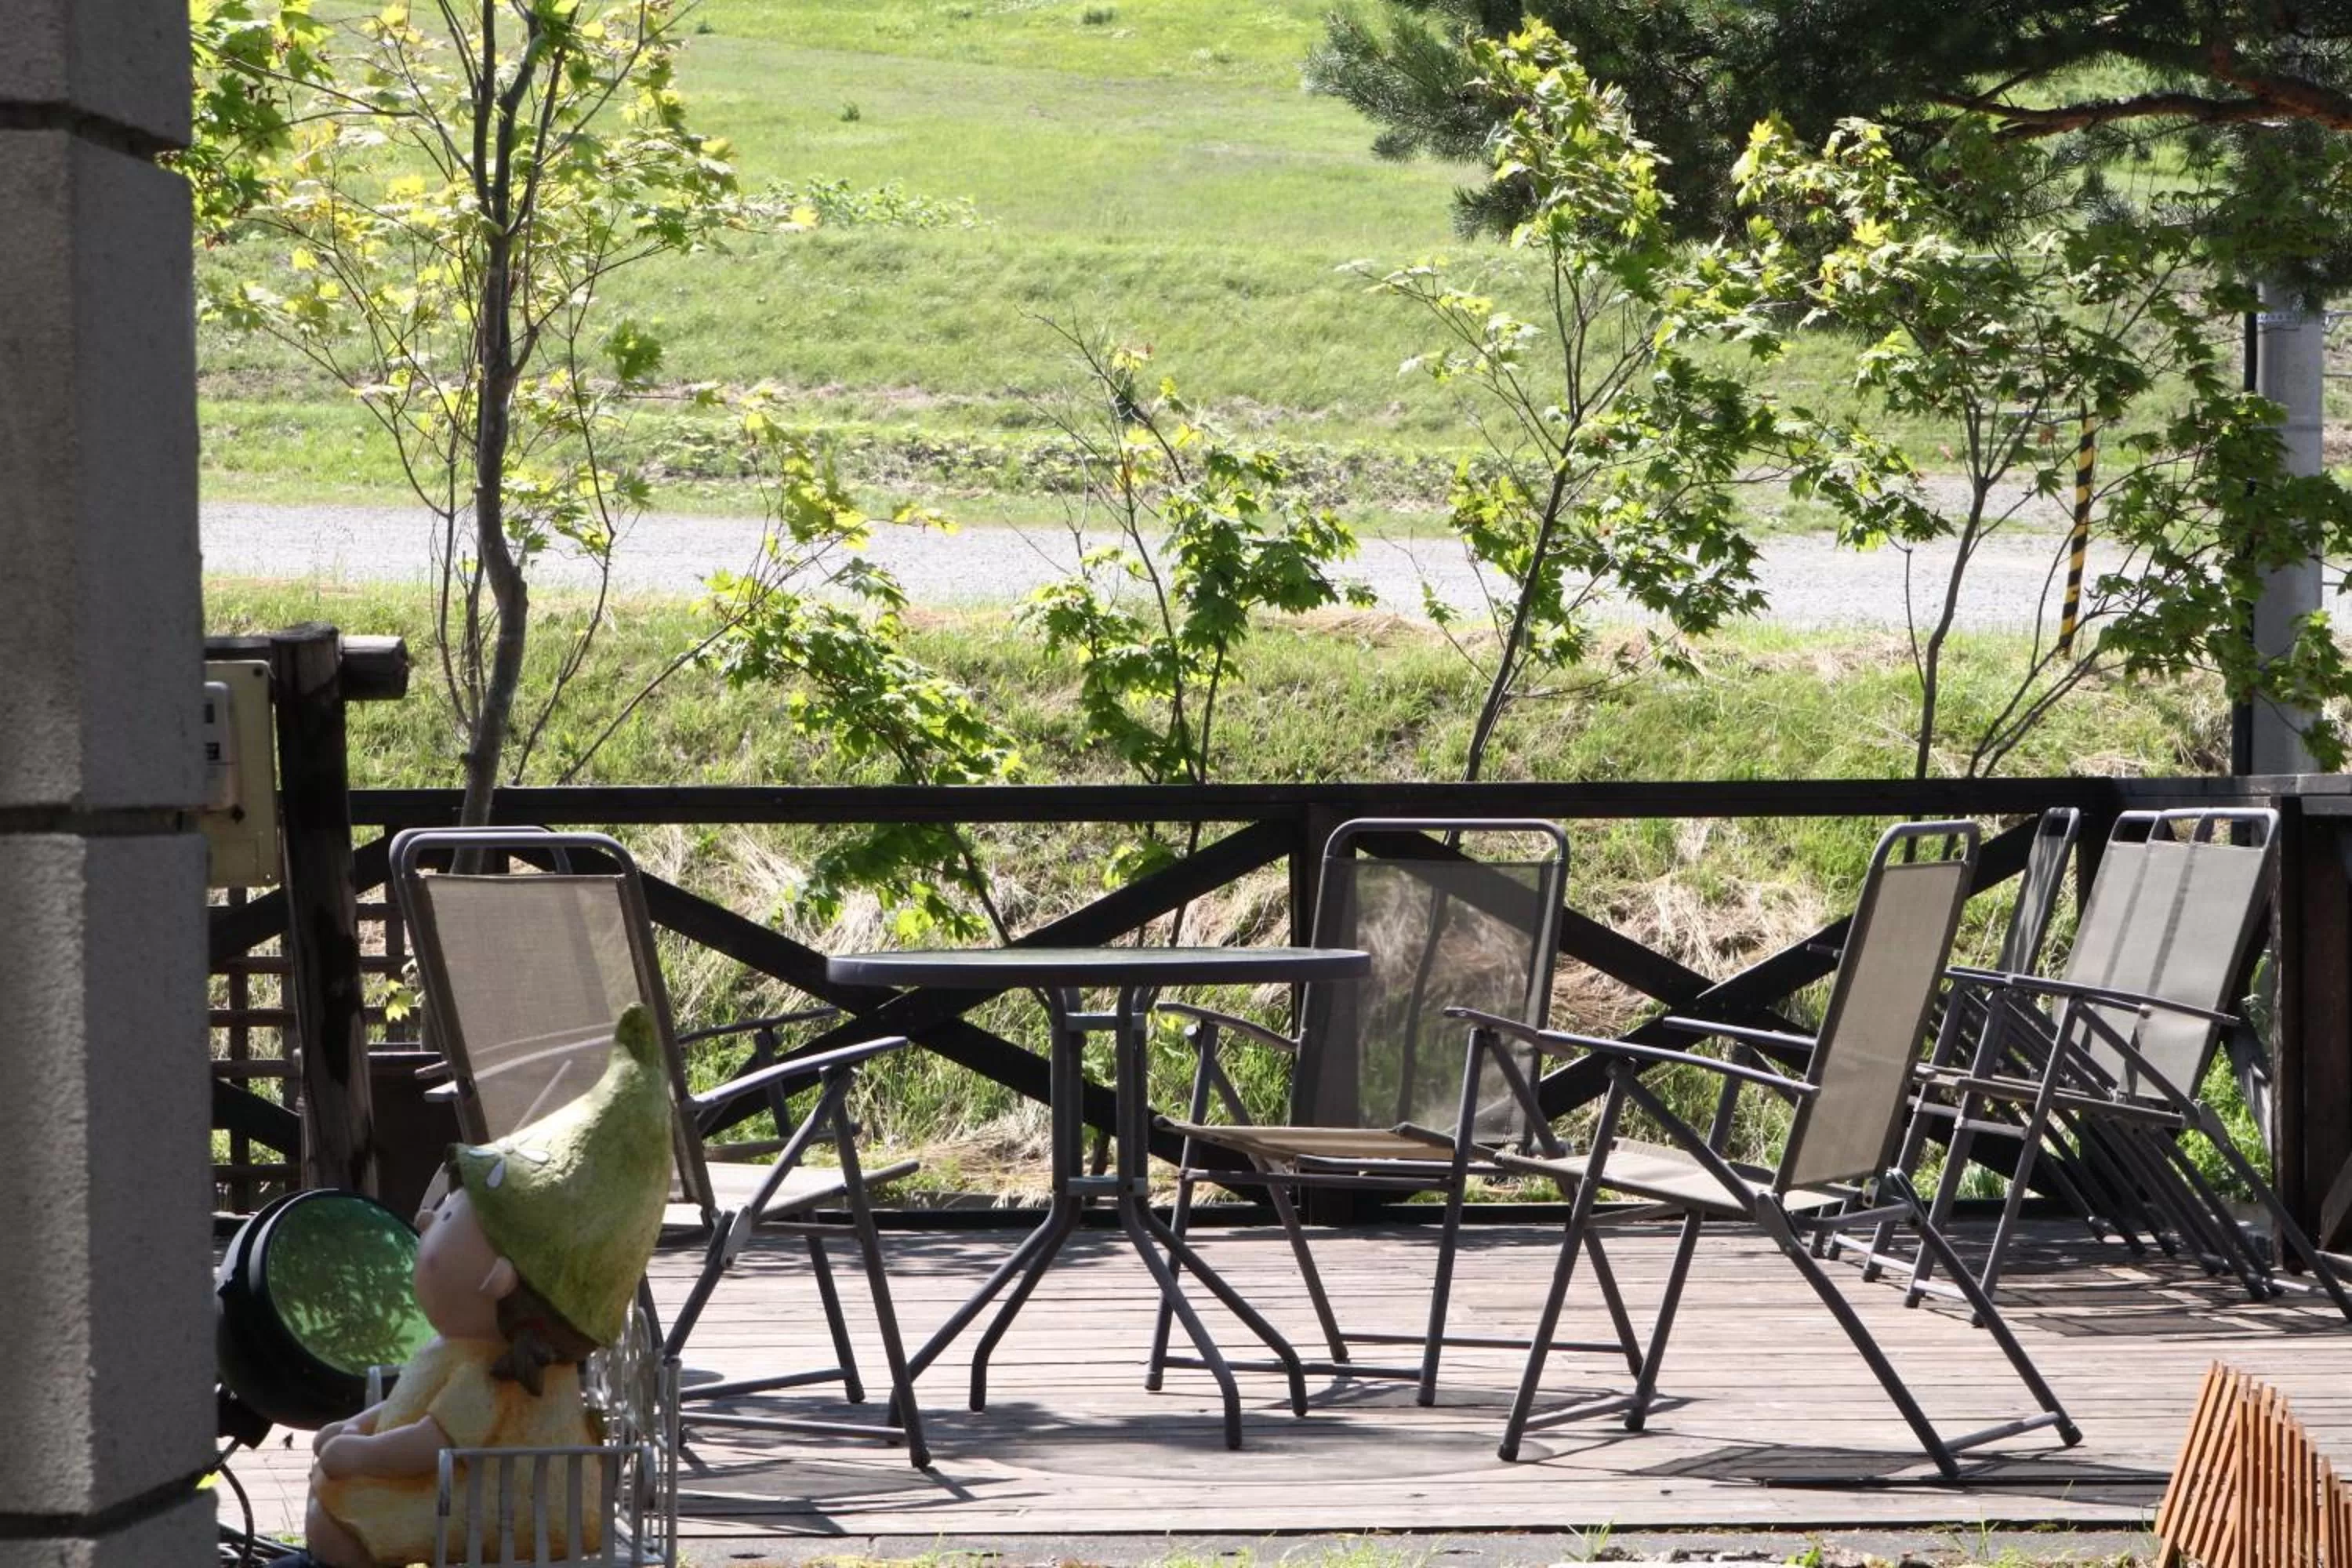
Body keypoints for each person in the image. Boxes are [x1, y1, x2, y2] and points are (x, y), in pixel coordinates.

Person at [291, 1004, 673, 1567]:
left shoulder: (500, 1378)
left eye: (446, 1219)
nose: (424, 1222)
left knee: (354, 1515)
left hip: (488, 1511)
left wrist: (361, 1453)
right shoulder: (463, 1352)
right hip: (454, 1495)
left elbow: (429, 1443)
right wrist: (357, 1427)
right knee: (342, 1504)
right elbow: (406, 1407)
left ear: (500, 1281)